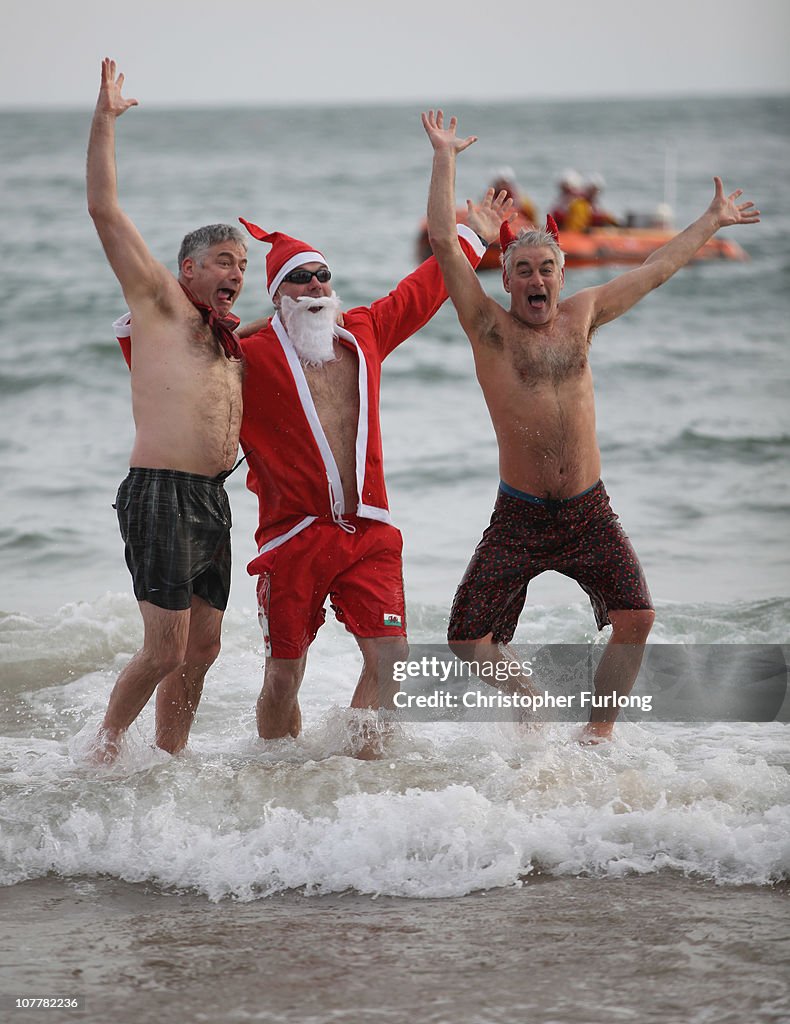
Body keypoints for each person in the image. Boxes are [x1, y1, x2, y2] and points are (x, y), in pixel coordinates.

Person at [422, 108, 759, 741]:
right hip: (519, 513)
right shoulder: (488, 328)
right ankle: (529, 707)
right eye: (523, 270)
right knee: (467, 637)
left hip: (588, 509)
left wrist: (711, 221)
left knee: (638, 618)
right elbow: (443, 241)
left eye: (546, 268)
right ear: (507, 278)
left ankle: (598, 736)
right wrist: (446, 156)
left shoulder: (583, 316)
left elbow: (653, 269)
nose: (536, 279)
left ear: (561, 272)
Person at [236, 191, 507, 756]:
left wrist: (474, 235)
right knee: (285, 673)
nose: (315, 289)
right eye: (300, 281)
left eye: (322, 278)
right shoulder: (250, 354)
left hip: (370, 530)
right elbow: (172, 353)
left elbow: (422, 291)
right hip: (293, 535)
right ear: (277, 296)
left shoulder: (362, 333)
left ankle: (360, 769)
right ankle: (275, 770)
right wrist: (236, 332)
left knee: (392, 659)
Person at [87, 59, 248, 763]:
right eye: (220, 259)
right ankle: (100, 755)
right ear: (186, 270)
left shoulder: (227, 340)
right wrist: (105, 121)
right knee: (163, 647)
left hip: (212, 499)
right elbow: (104, 211)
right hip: (161, 493)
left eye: (240, 263)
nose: (234, 272)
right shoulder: (160, 304)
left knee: (204, 647)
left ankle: (169, 760)